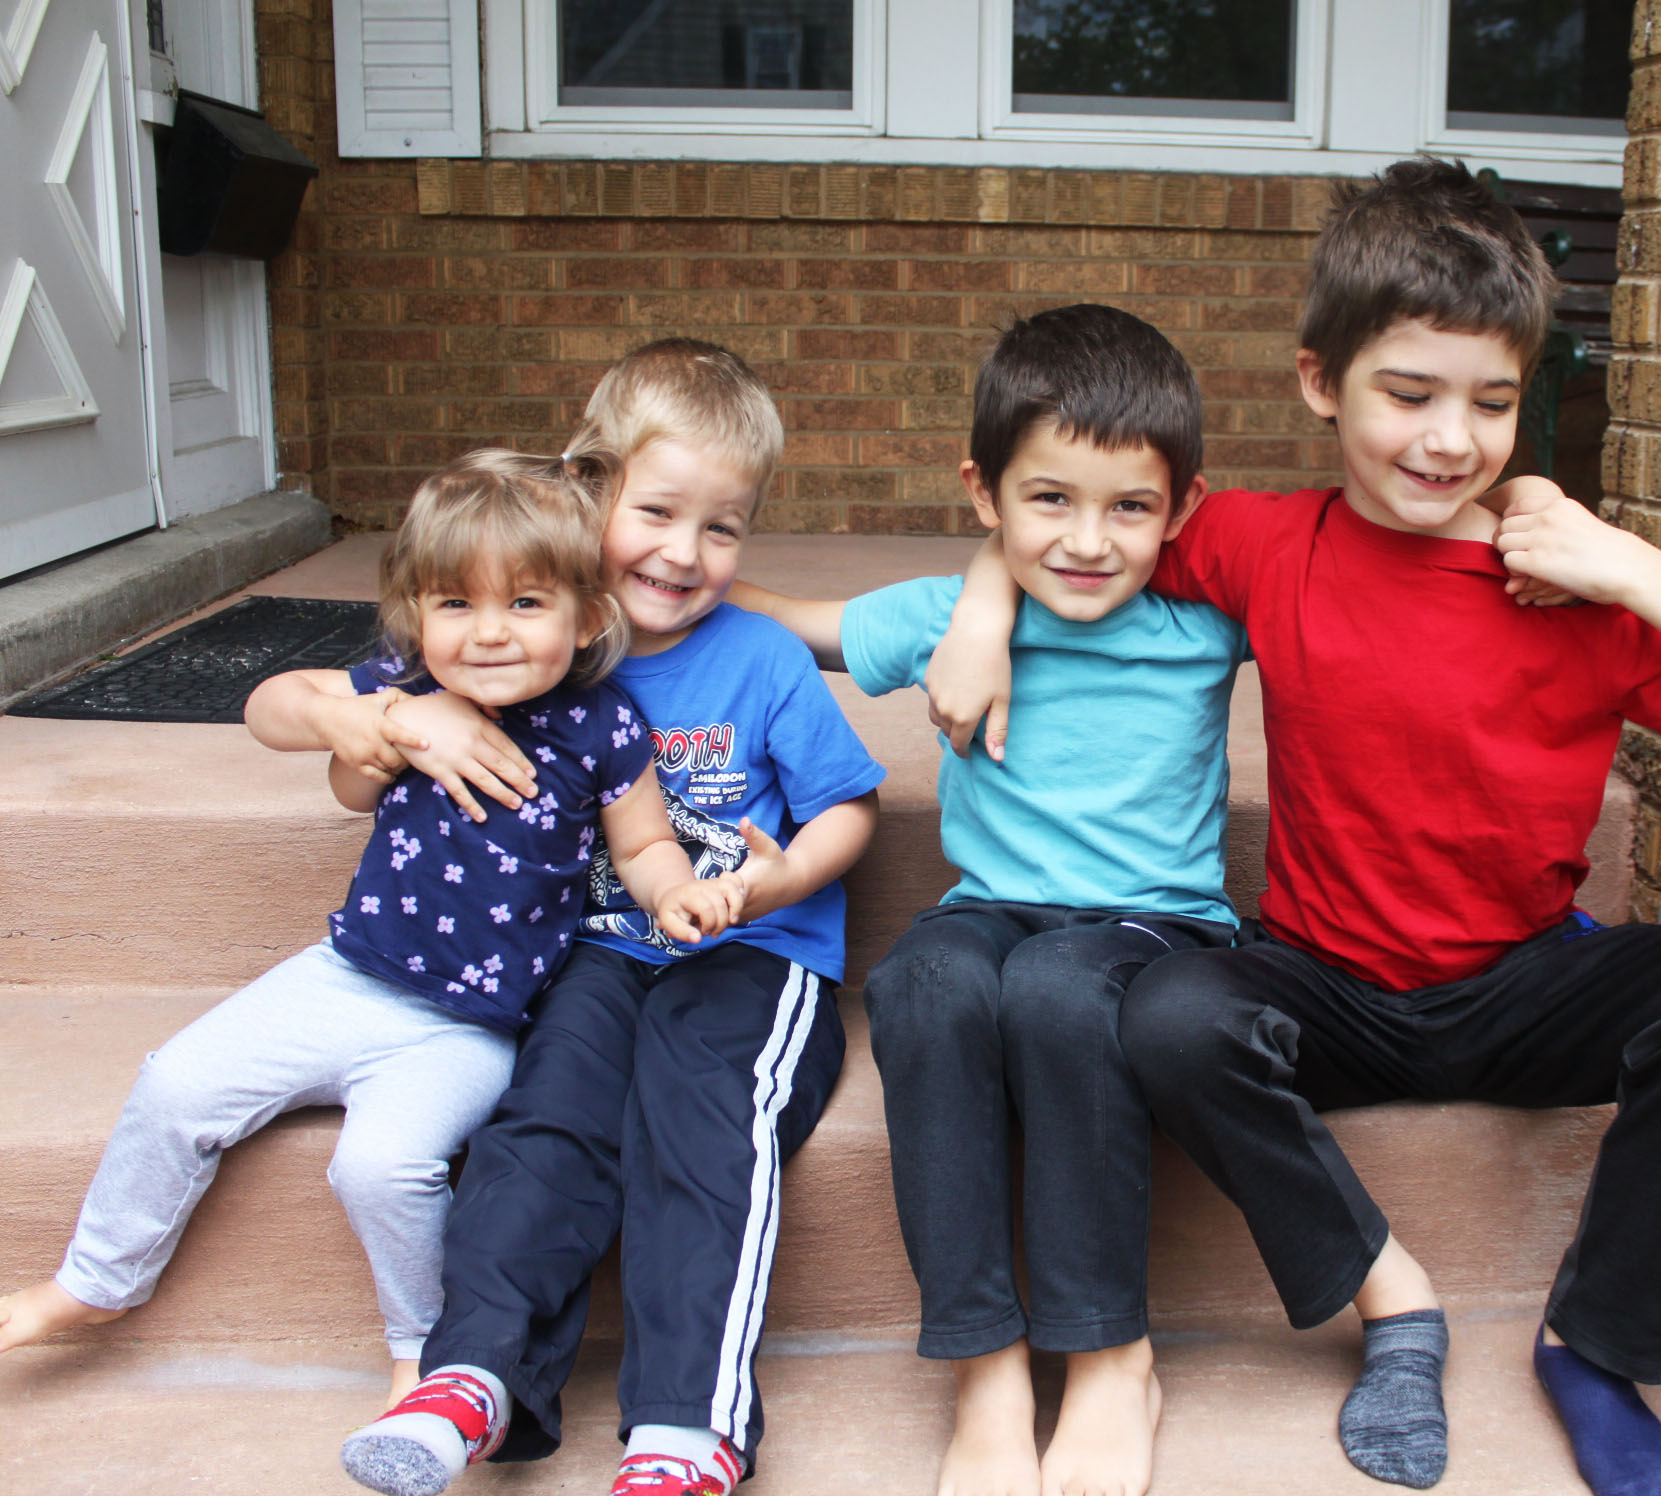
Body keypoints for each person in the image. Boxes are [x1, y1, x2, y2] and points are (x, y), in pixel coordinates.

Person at [929, 160, 1661, 1496]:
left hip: (1527, 976)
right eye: (1410, 394)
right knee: (1167, 1013)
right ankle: (1391, 1291)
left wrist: (1626, 564)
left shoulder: (1571, 591)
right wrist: (981, 603)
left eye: (1493, 403)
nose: (1450, 439)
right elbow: (1076, 524)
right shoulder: (1265, 544)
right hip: (1325, 983)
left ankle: (1592, 1343)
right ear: (1323, 383)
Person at [0, 450, 733, 1409]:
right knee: (174, 1082)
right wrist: (382, 721)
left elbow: (640, 848)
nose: (488, 634)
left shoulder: (604, 727)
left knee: (381, 1168)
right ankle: (95, 1283)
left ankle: (417, 1351)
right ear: (416, 617)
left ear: (588, 617)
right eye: (455, 605)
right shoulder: (401, 689)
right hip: (347, 975)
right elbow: (280, 714)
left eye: (525, 605)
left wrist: (675, 895)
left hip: (474, 1026)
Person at [304, 340, 885, 1496]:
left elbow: (848, 811)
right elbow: (314, 706)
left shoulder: (762, 658)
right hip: (596, 955)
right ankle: (468, 1375)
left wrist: (769, 884)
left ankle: (685, 1428)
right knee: (542, 1123)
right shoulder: (533, 647)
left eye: (722, 527)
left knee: (703, 1125)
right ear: (588, 488)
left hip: (750, 959)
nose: (685, 551)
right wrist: (392, 728)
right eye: (658, 511)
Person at [734, 303, 1246, 1496]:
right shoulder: (940, 615)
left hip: (1153, 924)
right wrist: (638, 558)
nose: (1086, 539)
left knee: (1062, 992)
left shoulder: (1205, 616)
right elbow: (785, 621)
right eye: (1047, 500)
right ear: (984, 492)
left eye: (1130, 506)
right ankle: (986, 1364)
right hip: (994, 903)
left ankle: (1110, 1352)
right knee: (924, 980)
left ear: (1181, 508)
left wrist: (990, 589)